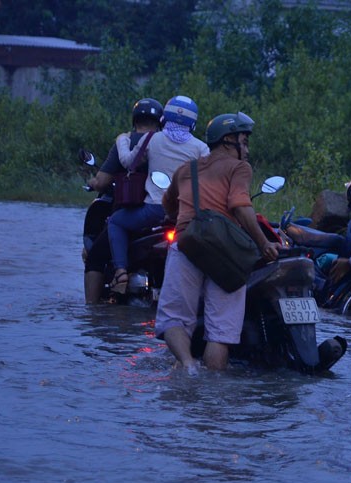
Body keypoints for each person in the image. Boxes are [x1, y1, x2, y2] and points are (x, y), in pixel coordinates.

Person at [155, 112, 282, 372]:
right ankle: (213, 393)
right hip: (226, 254)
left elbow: (168, 205)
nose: (246, 150)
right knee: (220, 331)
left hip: (186, 245)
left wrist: (179, 216)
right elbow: (240, 205)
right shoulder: (239, 168)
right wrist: (263, 244)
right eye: (243, 142)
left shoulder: (185, 170)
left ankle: (189, 364)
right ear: (227, 141)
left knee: (174, 318)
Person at [106, 95, 209, 295]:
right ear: (193, 123)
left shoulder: (151, 139)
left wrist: (121, 141)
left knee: (116, 222)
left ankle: (120, 272)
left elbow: (128, 162)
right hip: (187, 215)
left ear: (164, 118)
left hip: (153, 210)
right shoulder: (201, 148)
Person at [84, 97, 163, 303]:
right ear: (159, 122)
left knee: (95, 258)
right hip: (168, 213)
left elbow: (102, 182)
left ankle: (91, 310)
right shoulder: (167, 144)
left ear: (135, 120)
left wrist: (93, 182)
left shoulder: (127, 142)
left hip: (134, 213)